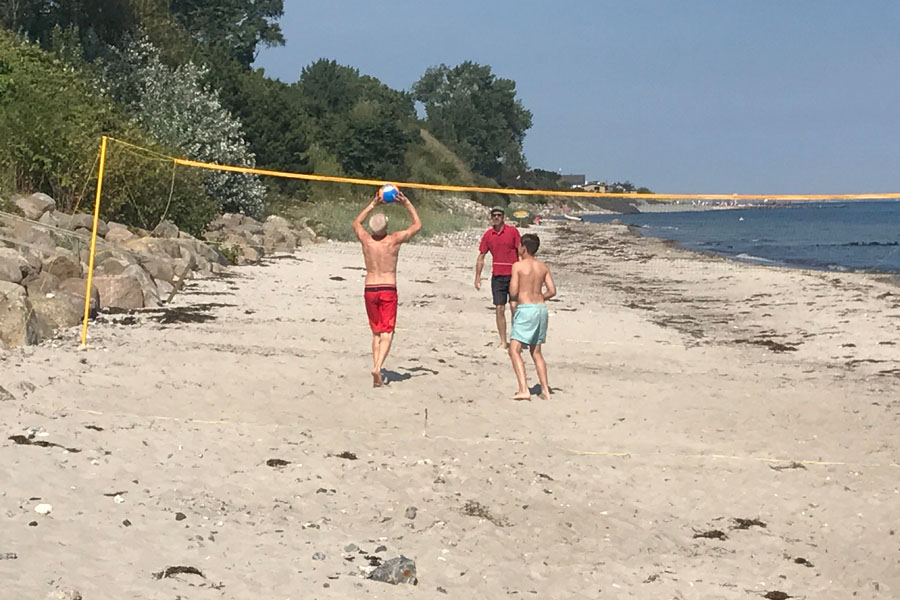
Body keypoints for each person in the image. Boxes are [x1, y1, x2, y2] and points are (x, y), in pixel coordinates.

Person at [352, 189, 422, 387]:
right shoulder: (393, 240)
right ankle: (378, 367)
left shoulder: (366, 240)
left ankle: (377, 367)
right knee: (387, 332)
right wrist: (406, 203)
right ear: (387, 226)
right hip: (387, 287)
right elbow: (417, 225)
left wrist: (373, 204)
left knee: (375, 332)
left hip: (370, 288)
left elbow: (356, 223)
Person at [508, 233, 556, 400]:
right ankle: (545, 390)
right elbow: (552, 291)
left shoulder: (518, 266)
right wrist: (540, 296)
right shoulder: (543, 267)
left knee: (514, 350)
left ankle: (523, 389)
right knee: (536, 352)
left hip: (526, 309)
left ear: (524, 248)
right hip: (541, 309)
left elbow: (513, 291)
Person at [474, 206, 521, 349]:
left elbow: (521, 252)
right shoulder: (488, 235)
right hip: (498, 276)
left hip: (513, 275)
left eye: (499, 215)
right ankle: (503, 341)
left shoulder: (512, 232)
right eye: (494, 215)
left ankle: (516, 338)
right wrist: (478, 277)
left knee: (514, 307)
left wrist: (525, 271)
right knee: (499, 308)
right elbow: (481, 256)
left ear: (503, 217)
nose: (496, 217)